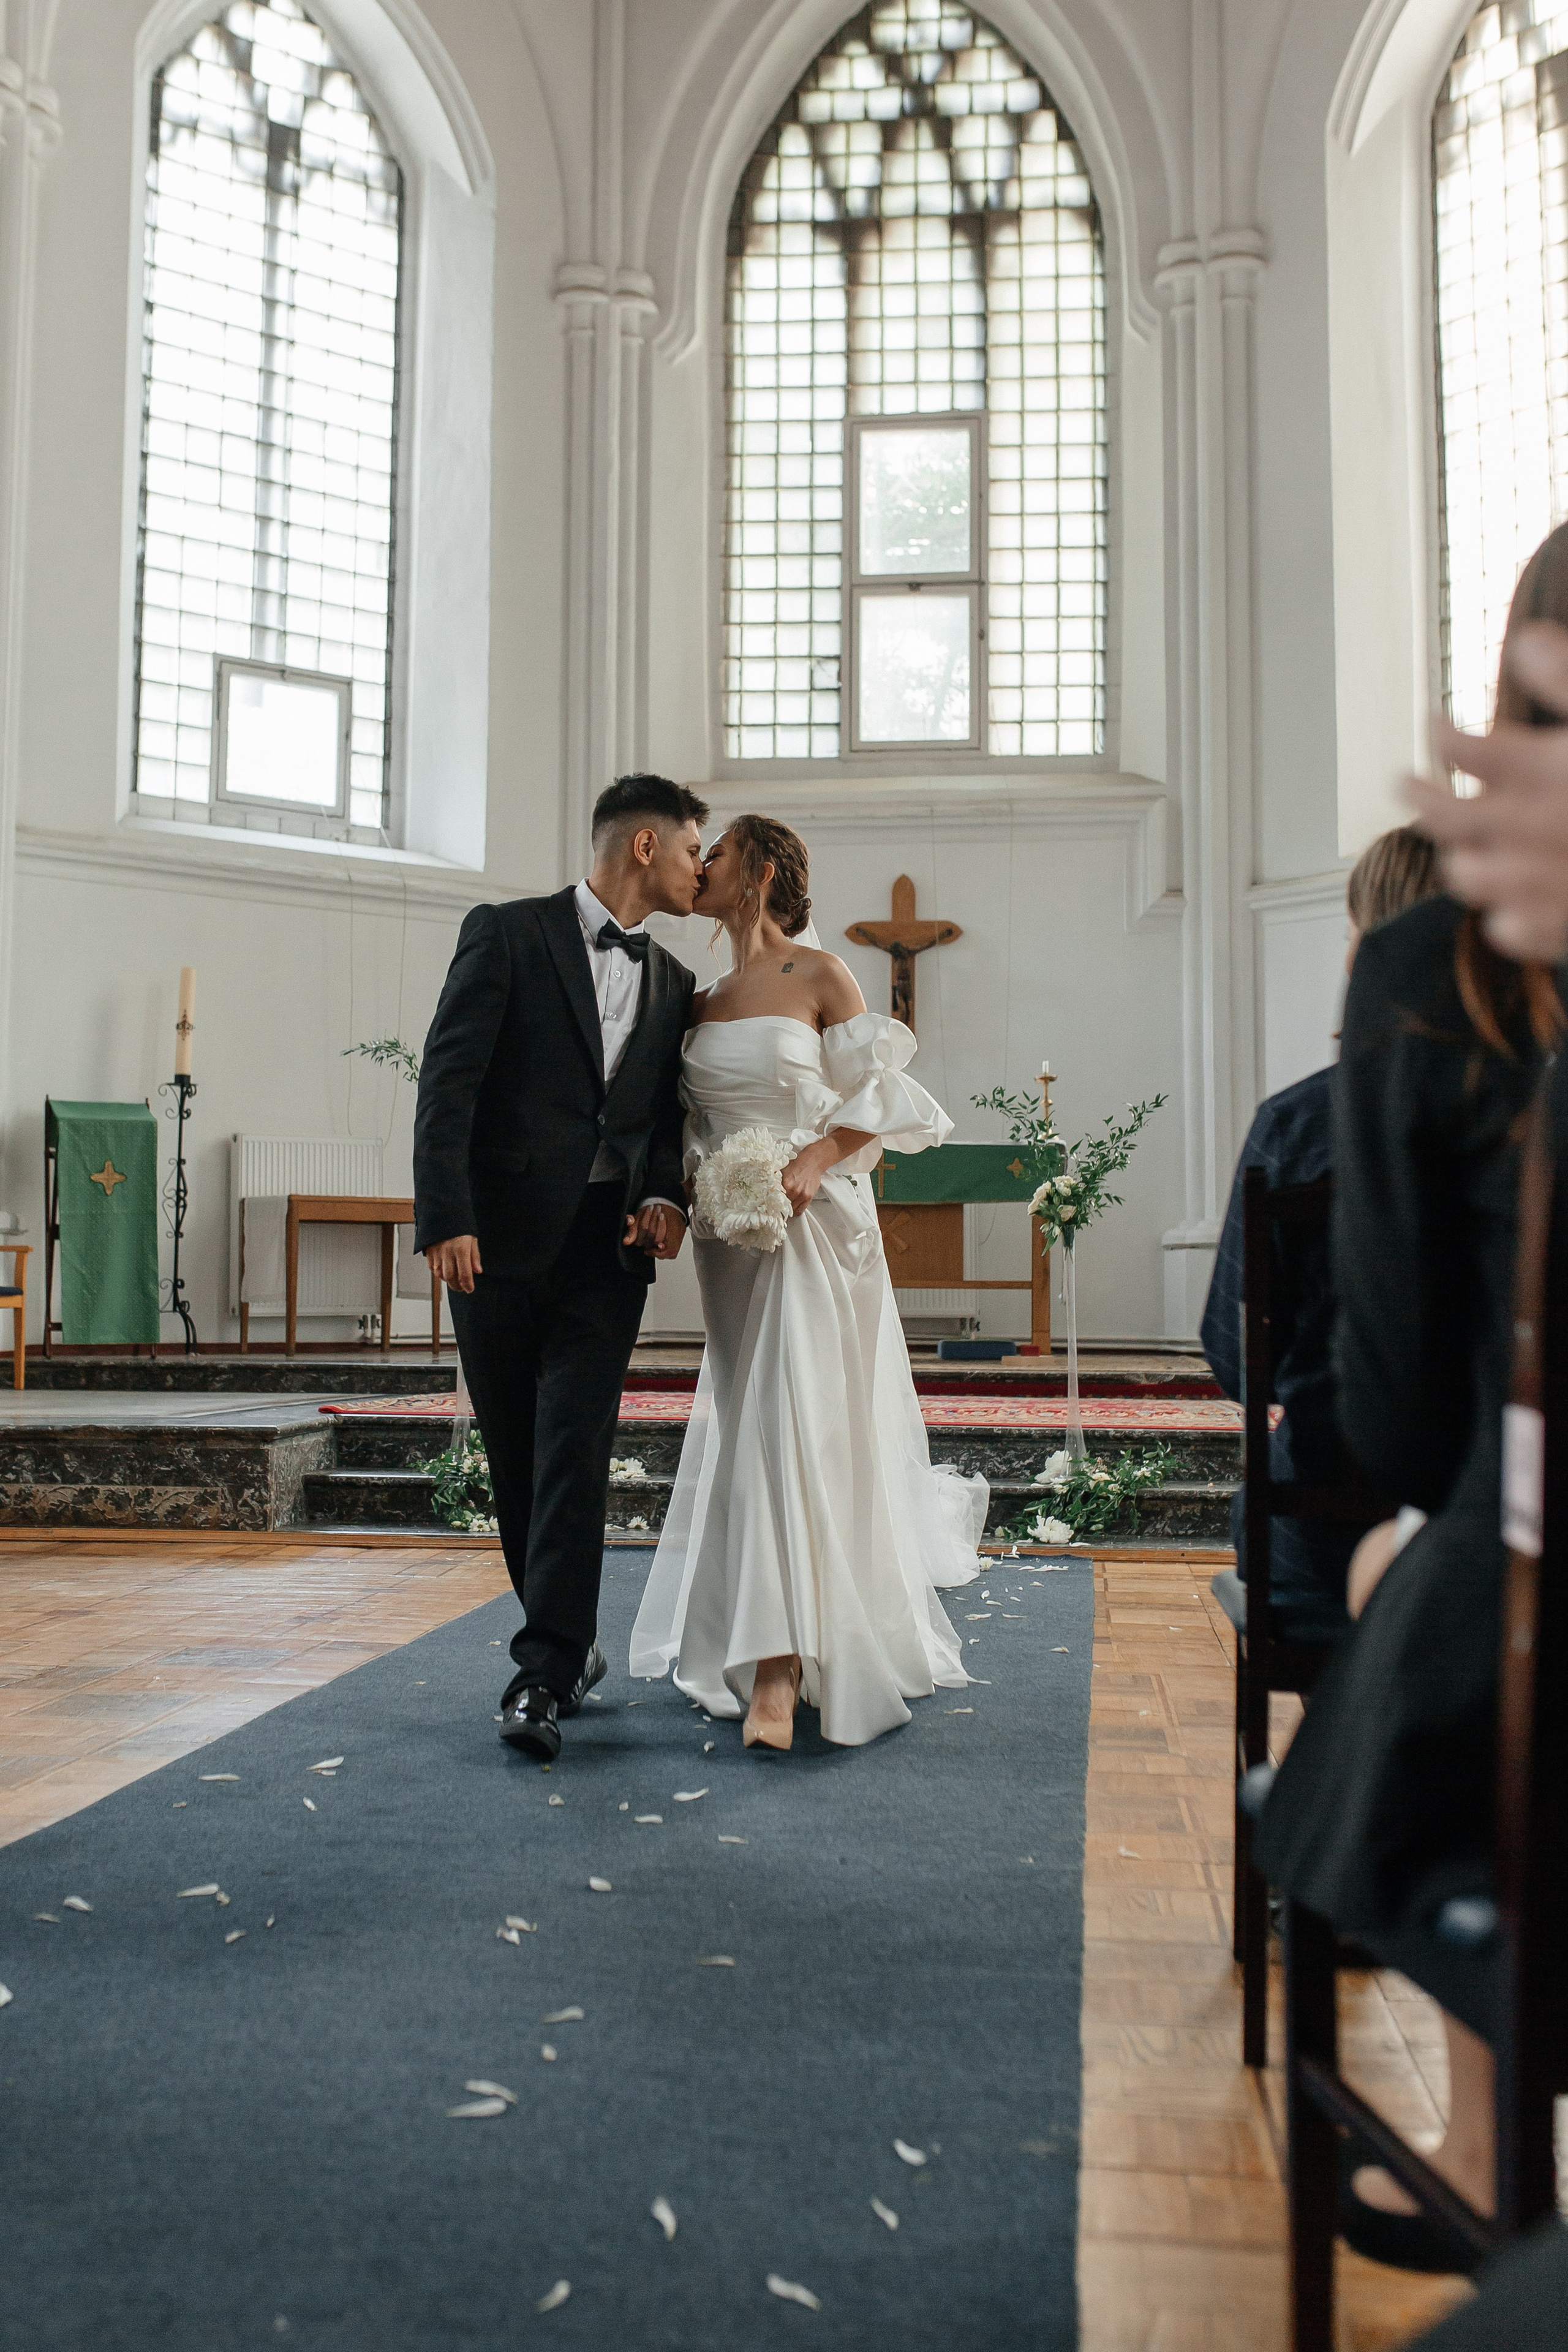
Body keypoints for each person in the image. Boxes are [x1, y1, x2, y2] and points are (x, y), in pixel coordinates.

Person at [1255, 537, 1568, 2270]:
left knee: (1457, 1588)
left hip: (1530, 1578)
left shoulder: (1437, 976)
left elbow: (1388, 1397)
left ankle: (1481, 2137)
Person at [628, 816, 987, 1751]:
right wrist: (690, 1194)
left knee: (800, 1420)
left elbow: (887, 1102)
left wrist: (818, 1155)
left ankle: (779, 1670)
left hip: (819, 1226)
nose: (700, 865)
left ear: (761, 872)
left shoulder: (823, 975)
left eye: (719, 854)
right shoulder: (699, 1001)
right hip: (730, 1234)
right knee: (754, 1421)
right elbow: (687, 1129)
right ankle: (765, 1636)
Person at [413, 774, 707, 1763]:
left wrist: (665, 1195)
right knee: (516, 1453)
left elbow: (664, 1120)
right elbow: (448, 1081)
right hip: (492, 1242)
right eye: (690, 849)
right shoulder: (505, 933)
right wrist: (444, 1217)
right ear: (642, 848)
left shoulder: (673, 984)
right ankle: (567, 1643)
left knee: (573, 1447)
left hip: (605, 1254)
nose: (698, 867)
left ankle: (541, 1670)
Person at [1200, 826, 1442, 1644]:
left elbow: (1238, 1361)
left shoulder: (1298, 1126)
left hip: (1322, 1528)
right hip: (1498, 1520)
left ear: (1368, 954)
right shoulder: (1534, 1122)